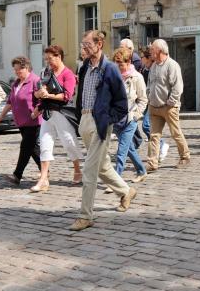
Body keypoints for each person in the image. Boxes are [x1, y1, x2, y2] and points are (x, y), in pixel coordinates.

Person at [70, 30, 137, 231]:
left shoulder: (110, 69)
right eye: (83, 45)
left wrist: (108, 120)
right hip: (84, 119)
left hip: (100, 123)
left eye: (87, 44)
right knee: (102, 166)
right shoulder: (83, 68)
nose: (84, 48)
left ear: (99, 44)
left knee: (89, 169)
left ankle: (85, 216)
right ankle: (126, 191)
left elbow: (121, 103)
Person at [31, 45, 83, 191]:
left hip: (62, 113)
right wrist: (38, 98)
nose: (48, 62)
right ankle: (43, 179)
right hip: (47, 114)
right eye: (46, 59)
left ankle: (78, 169)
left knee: (69, 142)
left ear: (59, 56)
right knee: (45, 143)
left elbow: (67, 95)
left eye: (50, 59)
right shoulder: (46, 73)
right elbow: (38, 92)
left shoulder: (68, 74)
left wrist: (49, 95)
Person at [0, 56, 42, 186]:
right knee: (32, 148)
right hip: (21, 122)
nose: (16, 72)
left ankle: (17, 175)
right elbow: (10, 102)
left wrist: (35, 113)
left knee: (25, 147)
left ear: (26, 68)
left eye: (18, 70)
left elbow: (42, 101)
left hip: (33, 121)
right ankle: (44, 170)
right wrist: (0, 116)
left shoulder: (35, 81)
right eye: (15, 70)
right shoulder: (16, 83)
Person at [145, 39, 191, 172]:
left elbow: (177, 87)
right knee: (154, 136)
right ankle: (152, 163)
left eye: (153, 50)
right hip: (154, 107)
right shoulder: (153, 66)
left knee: (176, 133)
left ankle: (185, 156)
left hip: (168, 107)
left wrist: (170, 103)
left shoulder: (172, 65)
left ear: (159, 51)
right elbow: (149, 84)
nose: (151, 52)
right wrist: (149, 96)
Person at [112, 47, 148, 182]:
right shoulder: (114, 76)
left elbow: (143, 99)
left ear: (128, 62)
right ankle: (141, 170)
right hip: (116, 119)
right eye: (116, 63)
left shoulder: (137, 78)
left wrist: (136, 116)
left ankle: (116, 181)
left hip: (129, 119)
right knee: (129, 148)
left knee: (121, 151)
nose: (118, 66)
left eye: (120, 63)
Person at [138, 47, 169, 162]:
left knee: (146, 126)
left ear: (147, 58)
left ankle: (162, 145)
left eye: (142, 57)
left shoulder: (153, 68)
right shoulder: (144, 69)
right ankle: (156, 151)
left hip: (154, 102)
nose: (140, 60)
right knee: (148, 127)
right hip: (147, 102)